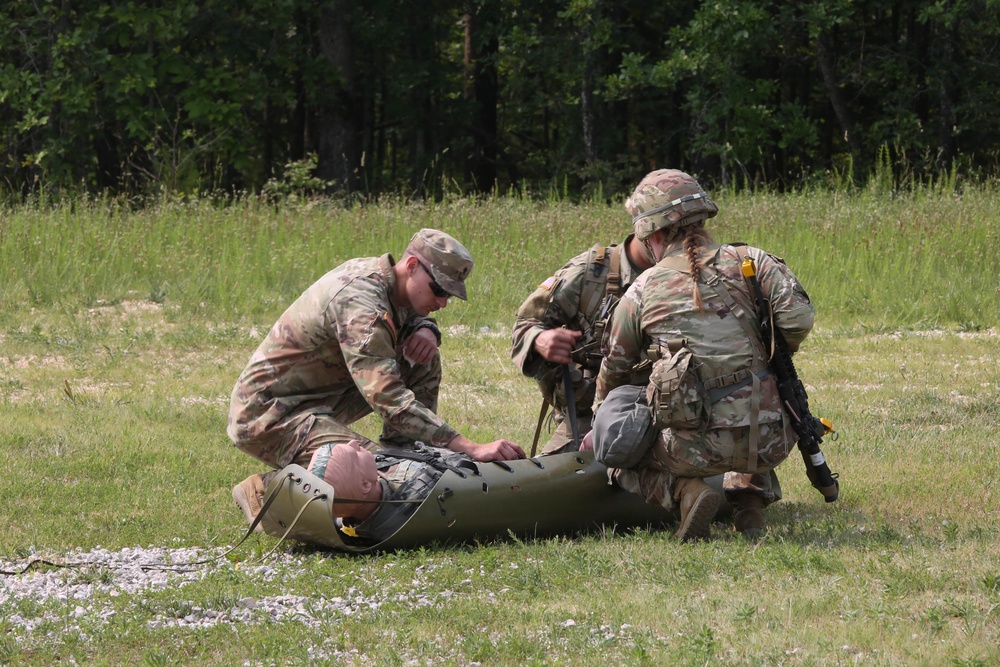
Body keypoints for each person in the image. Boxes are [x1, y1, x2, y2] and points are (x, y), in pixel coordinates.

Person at [227, 228, 525, 530]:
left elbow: (398, 316)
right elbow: (389, 398)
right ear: (411, 266)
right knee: (374, 476)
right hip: (270, 413)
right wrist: (468, 446)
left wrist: (425, 327)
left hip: (316, 397)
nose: (444, 302)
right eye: (438, 289)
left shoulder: (387, 281)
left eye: (449, 294)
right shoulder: (361, 303)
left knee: (423, 356)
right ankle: (267, 489)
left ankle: (408, 453)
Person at [591, 169, 815, 541]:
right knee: (753, 392)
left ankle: (686, 494)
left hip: (693, 449)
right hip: (773, 438)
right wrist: (764, 352)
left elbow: (614, 366)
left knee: (613, 452)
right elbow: (799, 319)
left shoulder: (644, 288)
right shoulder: (753, 261)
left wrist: (601, 418)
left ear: (654, 234)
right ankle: (750, 509)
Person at [511, 230, 655, 455]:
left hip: (667, 404)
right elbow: (525, 325)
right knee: (558, 480)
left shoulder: (694, 272)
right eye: (669, 229)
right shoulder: (590, 273)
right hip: (594, 407)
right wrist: (540, 339)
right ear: (646, 227)